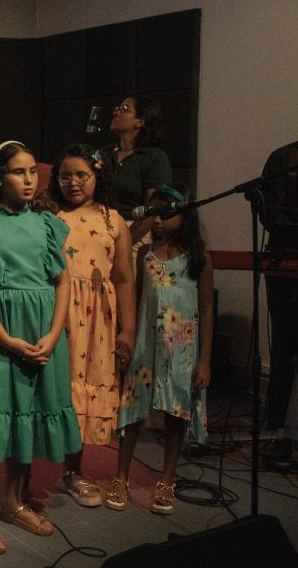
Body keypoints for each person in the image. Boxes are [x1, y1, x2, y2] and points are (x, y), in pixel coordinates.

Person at [0, 140, 80, 556]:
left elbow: (62, 281)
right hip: (1, 334)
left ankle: (13, 500)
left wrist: (54, 333)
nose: (29, 180)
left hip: (42, 332)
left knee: (26, 415)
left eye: (32, 172)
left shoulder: (46, 223)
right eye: (18, 172)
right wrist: (5, 338)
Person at [113, 183, 213, 514]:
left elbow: (206, 309)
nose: (158, 220)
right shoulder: (145, 254)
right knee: (132, 410)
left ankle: (167, 480)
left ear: (185, 215)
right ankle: (121, 476)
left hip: (180, 350)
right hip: (145, 345)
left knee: (175, 415)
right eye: (154, 213)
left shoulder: (199, 258)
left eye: (165, 213)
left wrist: (204, 360)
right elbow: (135, 298)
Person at [49, 144, 136, 507]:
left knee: (87, 387)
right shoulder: (51, 217)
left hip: (98, 318)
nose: (73, 182)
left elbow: (124, 278)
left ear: (98, 176)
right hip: (60, 313)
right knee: (62, 387)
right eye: (65, 176)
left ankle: (74, 469)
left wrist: (128, 329)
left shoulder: (113, 221)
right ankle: (46, 471)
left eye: (81, 175)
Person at [260, 141, 298, 465]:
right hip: (287, 267)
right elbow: (271, 214)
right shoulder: (285, 158)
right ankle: (277, 434)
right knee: (285, 350)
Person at [103, 96, 173, 245]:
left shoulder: (153, 157)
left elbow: (152, 210)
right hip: (101, 227)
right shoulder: (105, 154)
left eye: (124, 109)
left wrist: (125, 242)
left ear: (140, 121)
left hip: (135, 232)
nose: (116, 112)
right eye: (117, 108)